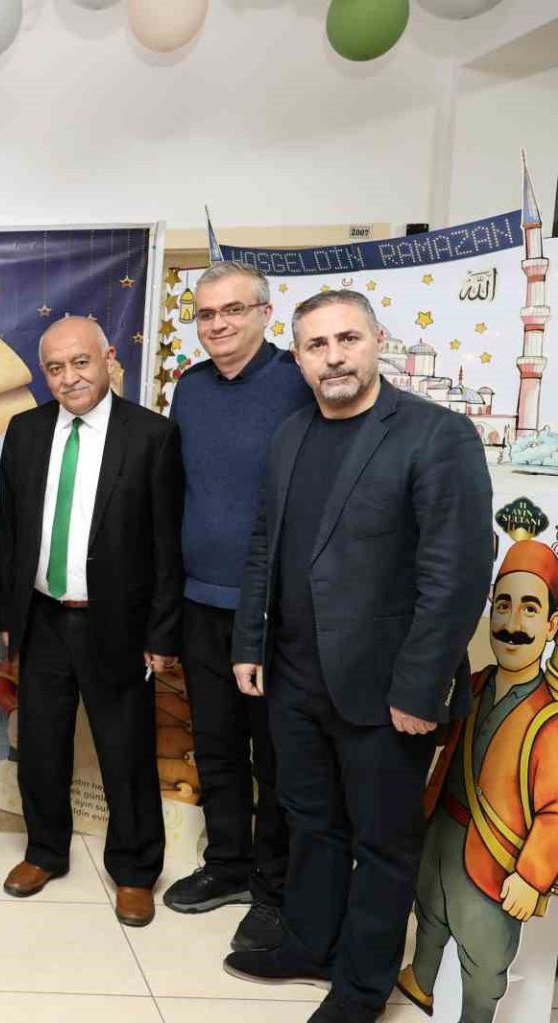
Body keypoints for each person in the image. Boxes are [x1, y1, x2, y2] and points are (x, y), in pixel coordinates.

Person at [225, 289, 493, 1023]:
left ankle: (363, 985)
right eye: (317, 345)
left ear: (377, 341)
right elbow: (264, 547)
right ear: (299, 357)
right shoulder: (291, 435)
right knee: (310, 821)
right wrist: (249, 641)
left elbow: (457, 573)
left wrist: (421, 687)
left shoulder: (437, 435)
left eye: (348, 338)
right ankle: (310, 942)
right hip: (294, 679)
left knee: (382, 843)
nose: (334, 356)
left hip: (387, 691)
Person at [0, 315, 182, 927]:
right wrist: (9, 615)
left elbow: (168, 545)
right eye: (55, 368)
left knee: (125, 752)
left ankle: (135, 871)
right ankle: (45, 852)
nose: (69, 378)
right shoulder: (25, 431)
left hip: (117, 623)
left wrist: (161, 632)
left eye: (80, 362)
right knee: (40, 746)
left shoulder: (151, 436)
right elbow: (11, 530)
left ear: (107, 360)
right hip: (42, 617)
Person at [163, 262, 313, 951]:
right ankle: (227, 864)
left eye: (233, 310)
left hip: (277, 610)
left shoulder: (297, 381)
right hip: (200, 602)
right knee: (217, 746)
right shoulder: (190, 390)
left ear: (265, 313)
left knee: (275, 755)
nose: (218, 324)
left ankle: (275, 886)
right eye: (206, 314)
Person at [398, 539, 558, 1023]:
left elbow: (555, 810)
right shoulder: (475, 682)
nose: (512, 623)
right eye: (503, 605)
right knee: (430, 913)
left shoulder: (550, 719)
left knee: (484, 957)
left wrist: (532, 877)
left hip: (496, 860)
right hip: (443, 832)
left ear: (552, 625)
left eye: (530, 609)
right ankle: (421, 980)